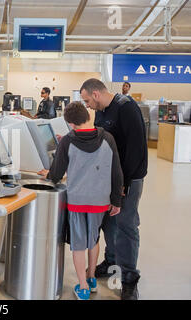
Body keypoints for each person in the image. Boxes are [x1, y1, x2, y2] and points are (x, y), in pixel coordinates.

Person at [39, 101, 123, 300]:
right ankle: (92, 277)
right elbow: (116, 172)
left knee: (78, 243)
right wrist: (116, 201)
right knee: (93, 238)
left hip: (77, 201)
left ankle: (83, 286)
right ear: (87, 116)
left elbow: (57, 174)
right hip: (100, 200)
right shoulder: (108, 138)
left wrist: (47, 174)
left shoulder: (68, 141)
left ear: (71, 123)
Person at [80, 78, 148, 300]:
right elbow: (102, 140)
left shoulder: (126, 108)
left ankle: (129, 278)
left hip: (128, 178)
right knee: (108, 221)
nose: (87, 105)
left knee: (126, 224)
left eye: (87, 100)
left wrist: (123, 183)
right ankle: (111, 260)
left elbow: (136, 148)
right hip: (108, 178)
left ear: (96, 94)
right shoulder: (101, 112)